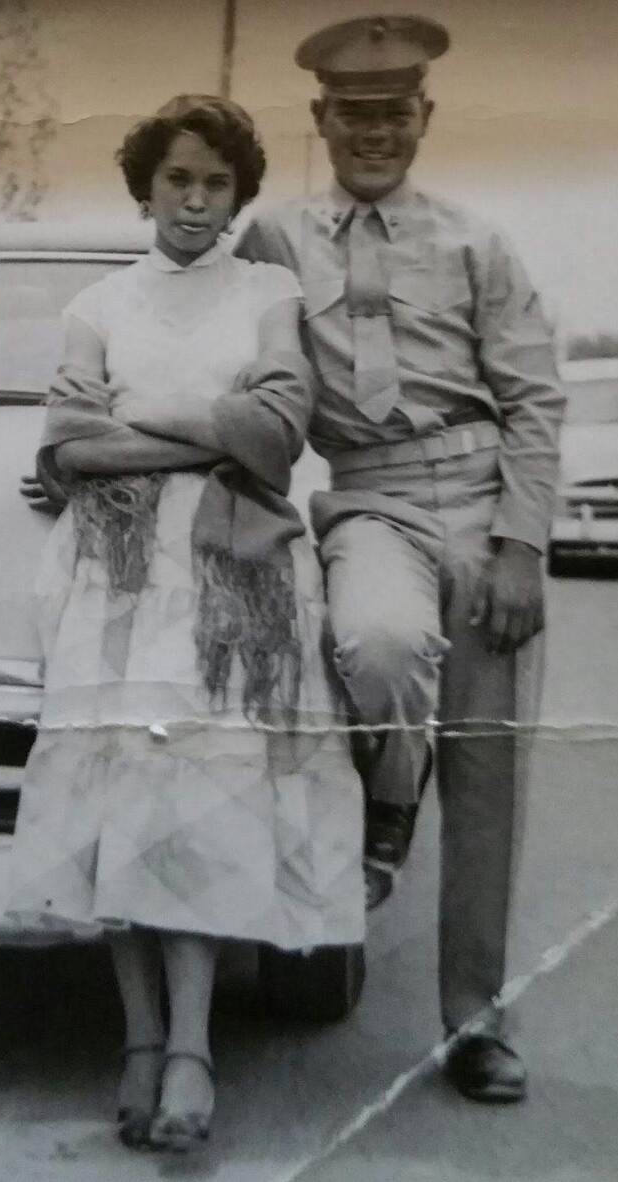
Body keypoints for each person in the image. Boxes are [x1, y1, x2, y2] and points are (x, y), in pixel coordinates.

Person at [8, 94, 364, 1154]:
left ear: (238, 191)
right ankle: (139, 1038)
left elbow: (277, 428)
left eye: (216, 183)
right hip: (113, 575)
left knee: (200, 795)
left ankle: (195, 1049)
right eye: (177, 180)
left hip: (224, 571)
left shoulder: (268, 292)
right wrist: (205, 438)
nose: (196, 201)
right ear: (146, 186)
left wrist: (148, 423)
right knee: (122, 787)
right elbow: (69, 448)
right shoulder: (99, 303)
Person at [236, 13, 566, 1102]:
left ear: (425, 117)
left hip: (480, 502)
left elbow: (532, 399)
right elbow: (223, 348)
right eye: (354, 116)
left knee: (488, 774)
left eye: (395, 114)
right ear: (320, 121)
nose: (375, 133)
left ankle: (476, 1025)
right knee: (376, 645)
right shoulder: (276, 241)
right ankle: (386, 814)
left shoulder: (477, 242)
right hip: (369, 497)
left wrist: (520, 547)